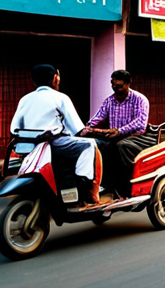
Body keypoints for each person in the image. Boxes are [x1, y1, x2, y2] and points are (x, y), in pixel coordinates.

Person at [11, 64, 101, 206]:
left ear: (33, 81)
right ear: (55, 78)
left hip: (30, 146)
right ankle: (84, 183)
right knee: (89, 144)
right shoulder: (61, 98)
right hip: (55, 144)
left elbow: (14, 129)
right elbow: (77, 129)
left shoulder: (25, 99)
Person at [84, 70, 151, 187]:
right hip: (115, 137)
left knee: (121, 146)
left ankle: (126, 184)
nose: (115, 89)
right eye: (113, 86)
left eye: (119, 86)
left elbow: (140, 123)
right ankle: (102, 184)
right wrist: (88, 127)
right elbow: (99, 116)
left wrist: (119, 131)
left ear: (128, 83)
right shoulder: (109, 101)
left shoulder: (140, 99)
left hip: (136, 138)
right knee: (95, 146)